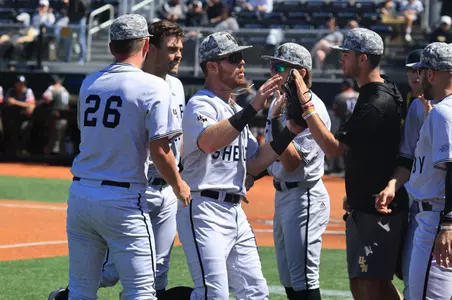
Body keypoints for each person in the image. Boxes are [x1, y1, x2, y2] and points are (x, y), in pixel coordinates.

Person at [48, 19, 191, 300]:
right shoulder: (153, 86)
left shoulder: (90, 82)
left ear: (111, 46)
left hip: (81, 193)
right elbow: (160, 150)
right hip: (124, 197)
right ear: (146, 45)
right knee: (141, 292)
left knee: (80, 290)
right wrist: (179, 186)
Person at [176, 31, 297, 299]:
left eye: (241, 57)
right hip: (203, 208)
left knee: (256, 292)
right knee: (214, 295)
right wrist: (253, 107)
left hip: (234, 211)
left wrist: (290, 129)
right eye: (233, 58)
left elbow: (256, 162)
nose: (241, 63)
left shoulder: (232, 109)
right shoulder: (201, 103)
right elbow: (208, 142)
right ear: (212, 66)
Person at [288, 27, 406, 300]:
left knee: (364, 284)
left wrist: (306, 104)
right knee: (376, 281)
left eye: (346, 54)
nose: (340, 59)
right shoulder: (381, 89)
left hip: (374, 207)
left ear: (362, 59)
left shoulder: (374, 100)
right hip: (372, 201)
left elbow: (332, 148)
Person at [395, 42, 452, 300]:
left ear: (432, 74)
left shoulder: (446, 112)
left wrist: (448, 222)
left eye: (422, 72)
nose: (419, 78)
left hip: (442, 219)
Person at [261, 42, 331, 299]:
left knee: (303, 279)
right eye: (272, 64)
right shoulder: (280, 102)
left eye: (280, 66)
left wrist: (276, 122)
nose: (273, 70)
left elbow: (292, 162)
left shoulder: (312, 108)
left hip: (305, 197)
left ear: (300, 72)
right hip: (283, 195)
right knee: (288, 279)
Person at [375, 48, 433, 300]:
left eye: (419, 70)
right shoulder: (409, 102)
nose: (414, 75)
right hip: (409, 189)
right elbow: (406, 153)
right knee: (406, 270)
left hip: (438, 199)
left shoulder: (446, 107)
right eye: (410, 70)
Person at [42, 74, 70, 155]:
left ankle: (53, 160)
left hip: (55, 117)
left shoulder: (52, 88)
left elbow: (46, 98)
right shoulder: (64, 90)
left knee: (54, 141)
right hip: (64, 118)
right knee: (59, 140)